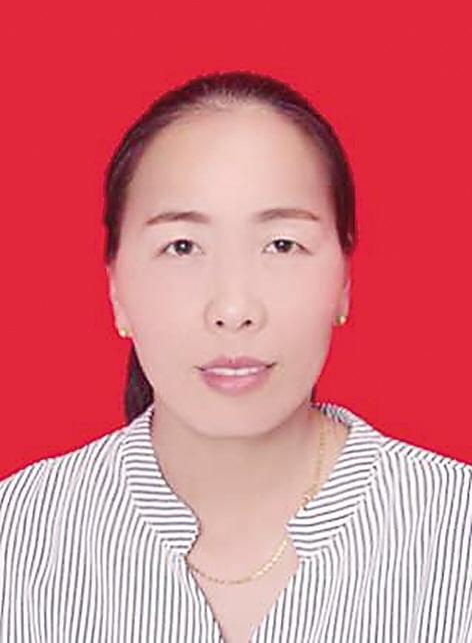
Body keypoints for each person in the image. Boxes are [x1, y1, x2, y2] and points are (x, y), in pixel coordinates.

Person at [0, 70, 470, 643]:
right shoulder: (17, 535)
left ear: (345, 280)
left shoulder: (455, 527)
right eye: (182, 246)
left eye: (281, 244)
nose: (233, 308)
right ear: (116, 289)